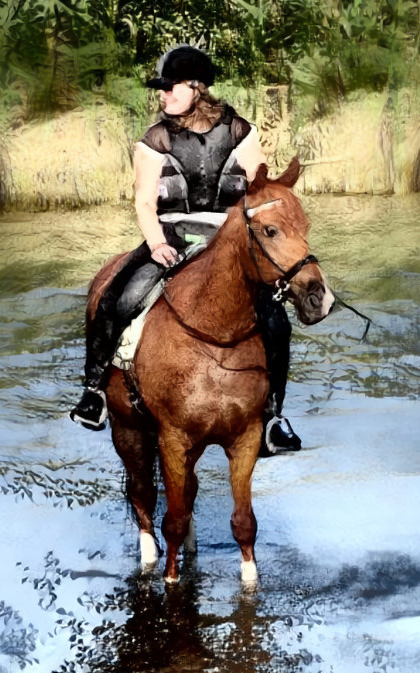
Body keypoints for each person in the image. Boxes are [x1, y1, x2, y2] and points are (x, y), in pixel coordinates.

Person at [69, 45, 303, 455]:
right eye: (161, 90)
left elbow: (258, 193)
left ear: (195, 88)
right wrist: (156, 243)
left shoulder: (240, 133)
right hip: (172, 236)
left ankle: (273, 417)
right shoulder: (154, 140)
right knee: (116, 298)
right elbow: (144, 203)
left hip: (227, 241)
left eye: (169, 88)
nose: (162, 95)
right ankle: (94, 391)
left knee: (277, 322)